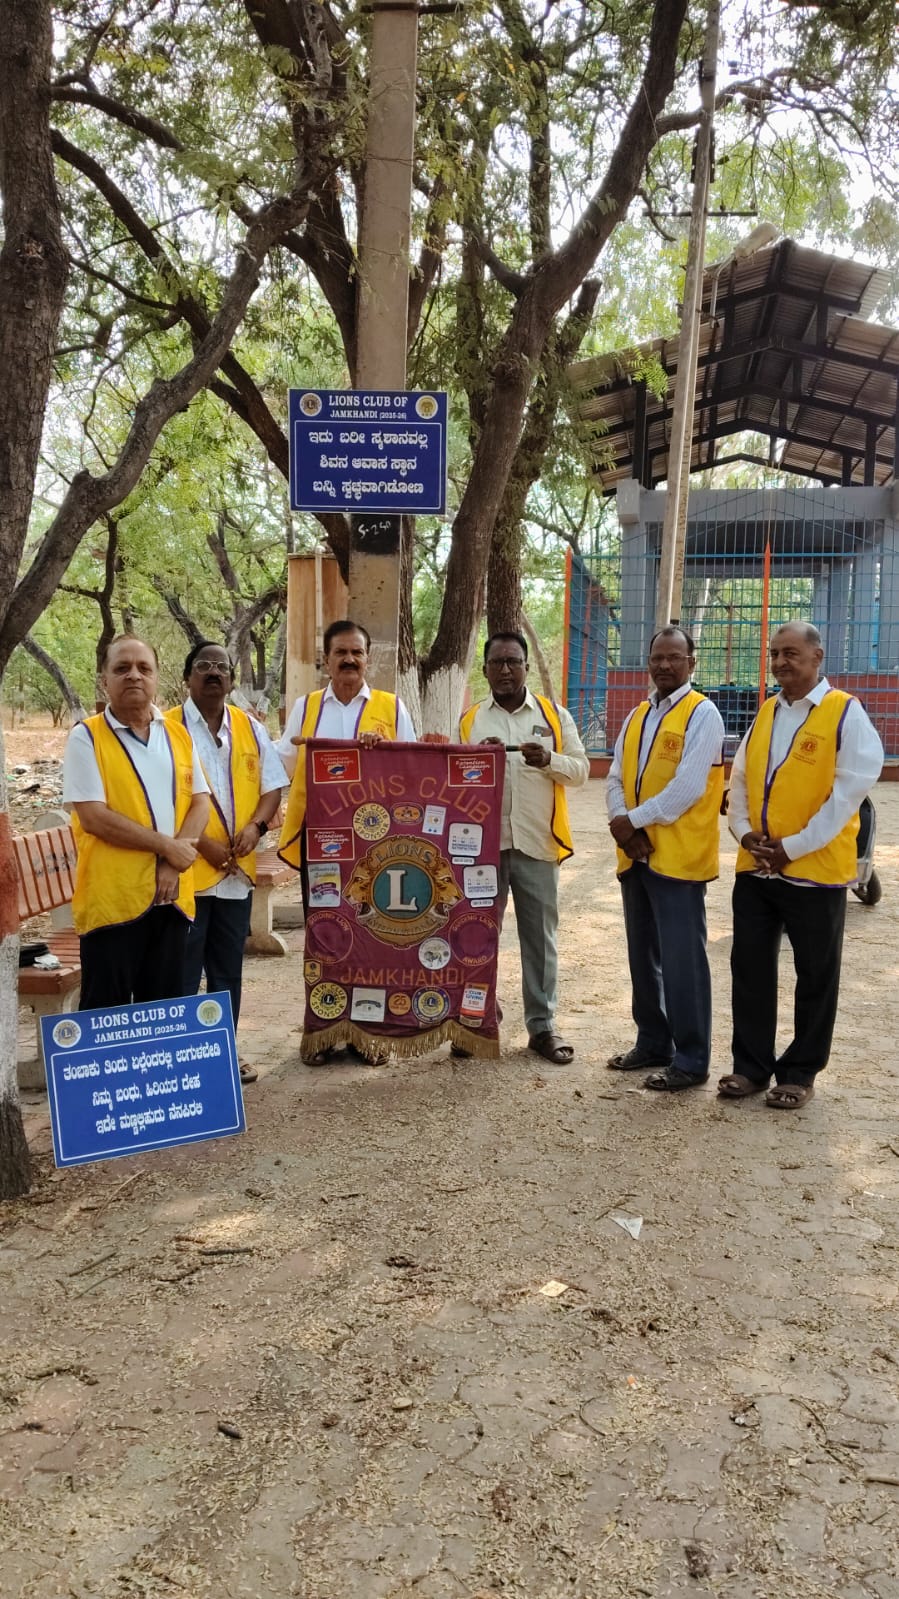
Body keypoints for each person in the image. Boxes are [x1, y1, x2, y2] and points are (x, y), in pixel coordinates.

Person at [719, 621, 883, 1109]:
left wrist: (794, 846)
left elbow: (846, 796)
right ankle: (750, 1067)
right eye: (774, 654)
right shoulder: (766, 712)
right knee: (749, 969)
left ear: (817, 656)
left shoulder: (845, 714)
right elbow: (741, 779)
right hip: (757, 866)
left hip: (815, 871)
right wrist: (743, 830)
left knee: (816, 974)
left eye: (791, 653)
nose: (780, 662)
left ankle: (800, 1072)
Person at [457, 631, 589, 1065]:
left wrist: (548, 760)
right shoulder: (472, 721)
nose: (506, 670)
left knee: (540, 939)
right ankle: (477, 1018)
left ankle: (542, 1027)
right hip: (482, 849)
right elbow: (452, 778)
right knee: (477, 935)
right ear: (485, 670)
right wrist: (479, 760)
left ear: (527, 666)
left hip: (536, 844)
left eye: (514, 661)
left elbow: (581, 771)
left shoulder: (554, 717)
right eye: (497, 663)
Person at [62, 636, 210, 1008]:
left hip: (172, 900)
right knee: (105, 1018)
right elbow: (94, 818)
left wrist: (174, 864)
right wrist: (167, 848)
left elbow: (201, 803)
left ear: (158, 678)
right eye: (122, 668)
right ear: (104, 680)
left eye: (144, 668)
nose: (134, 676)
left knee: (163, 1015)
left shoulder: (177, 734)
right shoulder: (86, 737)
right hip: (112, 903)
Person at [606, 626, 725, 1091]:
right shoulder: (637, 714)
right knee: (644, 957)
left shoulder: (703, 714)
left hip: (677, 859)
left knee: (683, 962)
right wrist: (623, 822)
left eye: (675, 658)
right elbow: (615, 775)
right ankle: (653, 1041)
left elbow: (689, 787)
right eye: (658, 657)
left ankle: (692, 1059)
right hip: (635, 856)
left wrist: (632, 821)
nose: (664, 665)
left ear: (691, 663)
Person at [167, 642, 288, 1085]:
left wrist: (257, 828)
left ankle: (223, 1052)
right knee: (183, 970)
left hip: (237, 874)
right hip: (186, 875)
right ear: (187, 677)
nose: (213, 673)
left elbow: (273, 785)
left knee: (226, 971)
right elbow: (162, 800)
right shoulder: (167, 728)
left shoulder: (248, 728)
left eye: (222, 667)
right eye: (203, 666)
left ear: (232, 680)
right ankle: (181, 1061)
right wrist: (201, 845)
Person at [277, 618, 416, 861]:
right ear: (326, 659)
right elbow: (283, 766)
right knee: (323, 897)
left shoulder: (392, 707)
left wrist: (383, 751)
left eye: (357, 652)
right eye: (341, 652)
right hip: (320, 832)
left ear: (367, 660)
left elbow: (411, 768)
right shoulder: (306, 707)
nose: (349, 659)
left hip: (376, 831)